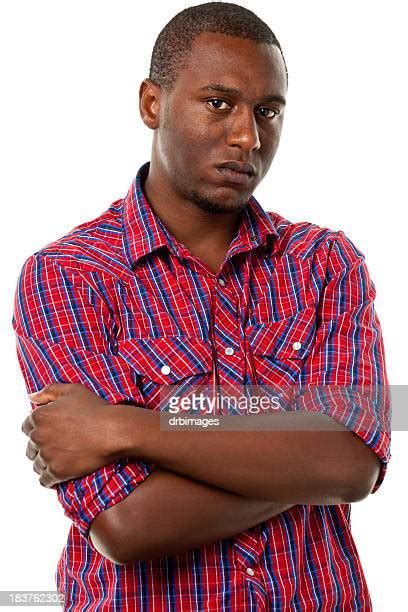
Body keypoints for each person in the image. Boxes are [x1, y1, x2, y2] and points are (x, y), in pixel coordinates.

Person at [13, 2, 390, 610]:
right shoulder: (70, 276)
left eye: (268, 111)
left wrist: (126, 428)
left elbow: (351, 466)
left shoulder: (325, 264)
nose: (248, 136)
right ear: (151, 104)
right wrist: (305, 458)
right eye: (219, 103)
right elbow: (129, 526)